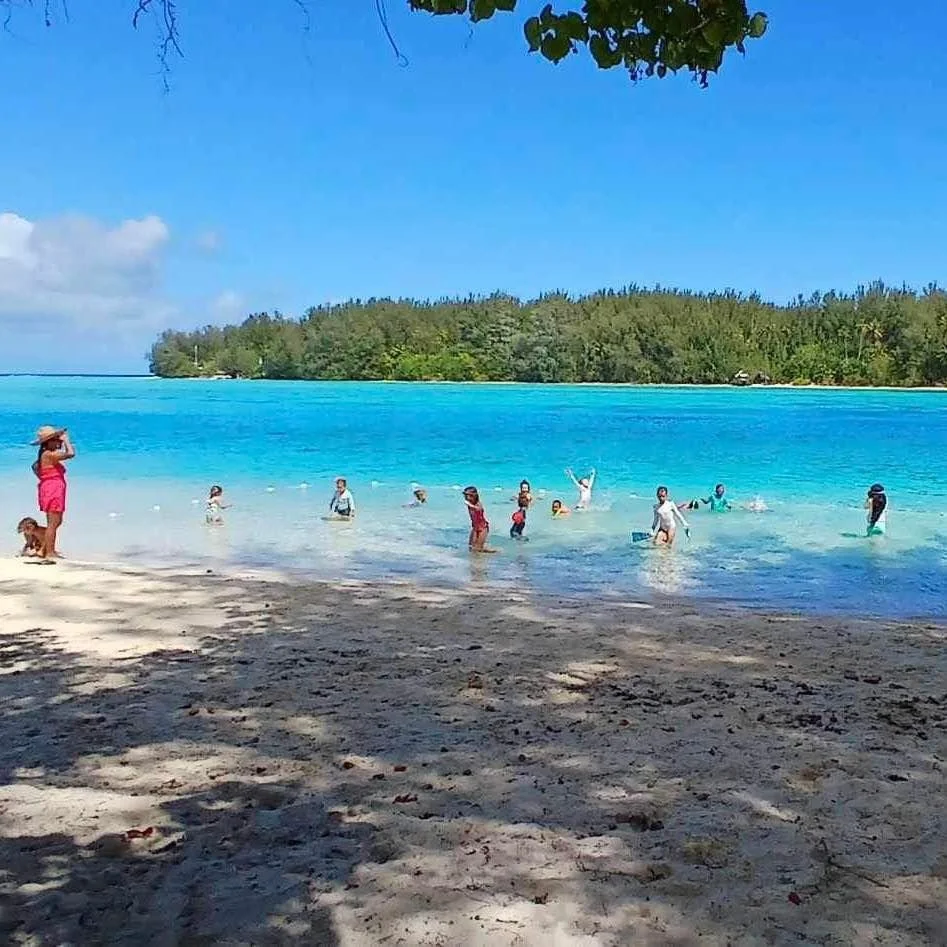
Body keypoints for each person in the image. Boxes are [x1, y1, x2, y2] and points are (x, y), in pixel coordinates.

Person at [31, 426, 75, 561]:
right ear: (48, 441)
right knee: (53, 522)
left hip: (51, 488)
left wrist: (45, 478)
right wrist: (67, 440)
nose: (59, 442)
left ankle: (44, 548)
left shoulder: (44, 455)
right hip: (53, 490)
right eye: (57, 440)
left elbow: (34, 467)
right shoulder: (49, 454)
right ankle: (50, 552)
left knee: (57, 521)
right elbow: (70, 454)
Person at [463, 486, 495, 553]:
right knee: (471, 547)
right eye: (465, 495)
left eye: (467, 495)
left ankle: (492, 552)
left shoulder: (478, 503)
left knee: (478, 549)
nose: (465, 497)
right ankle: (473, 561)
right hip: (475, 527)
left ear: (473, 495)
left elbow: (479, 509)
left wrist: (470, 505)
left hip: (483, 528)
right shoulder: (469, 503)